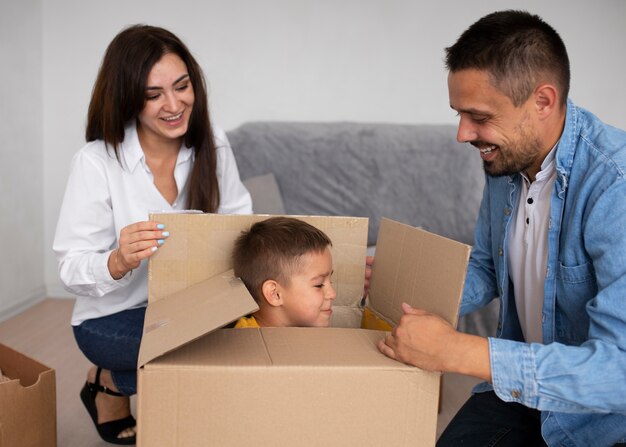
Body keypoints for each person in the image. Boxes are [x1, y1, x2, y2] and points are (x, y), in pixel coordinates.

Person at [378, 10, 626, 447]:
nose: (462, 134)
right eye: (459, 114)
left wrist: (458, 351)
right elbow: (491, 268)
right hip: (521, 395)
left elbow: (619, 371)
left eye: (478, 117)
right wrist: (409, 282)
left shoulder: (615, 186)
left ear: (543, 102)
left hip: (601, 420)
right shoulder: (507, 161)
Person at [53, 25, 252, 445]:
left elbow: (240, 218)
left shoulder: (212, 144)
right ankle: (111, 379)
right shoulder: (96, 162)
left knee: (244, 333)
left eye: (182, 87)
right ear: (129, 98)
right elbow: (71, 267)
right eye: (154, 94)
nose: (175, 104)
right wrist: (117, 260)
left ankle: (111, 384)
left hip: (184, 306)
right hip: (111, 319)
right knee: (210, 345)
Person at [232, 217, 336, 328]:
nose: (333, 294)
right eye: (319, 285)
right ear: (275, 294)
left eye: (331, 281)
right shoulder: (245, 341)